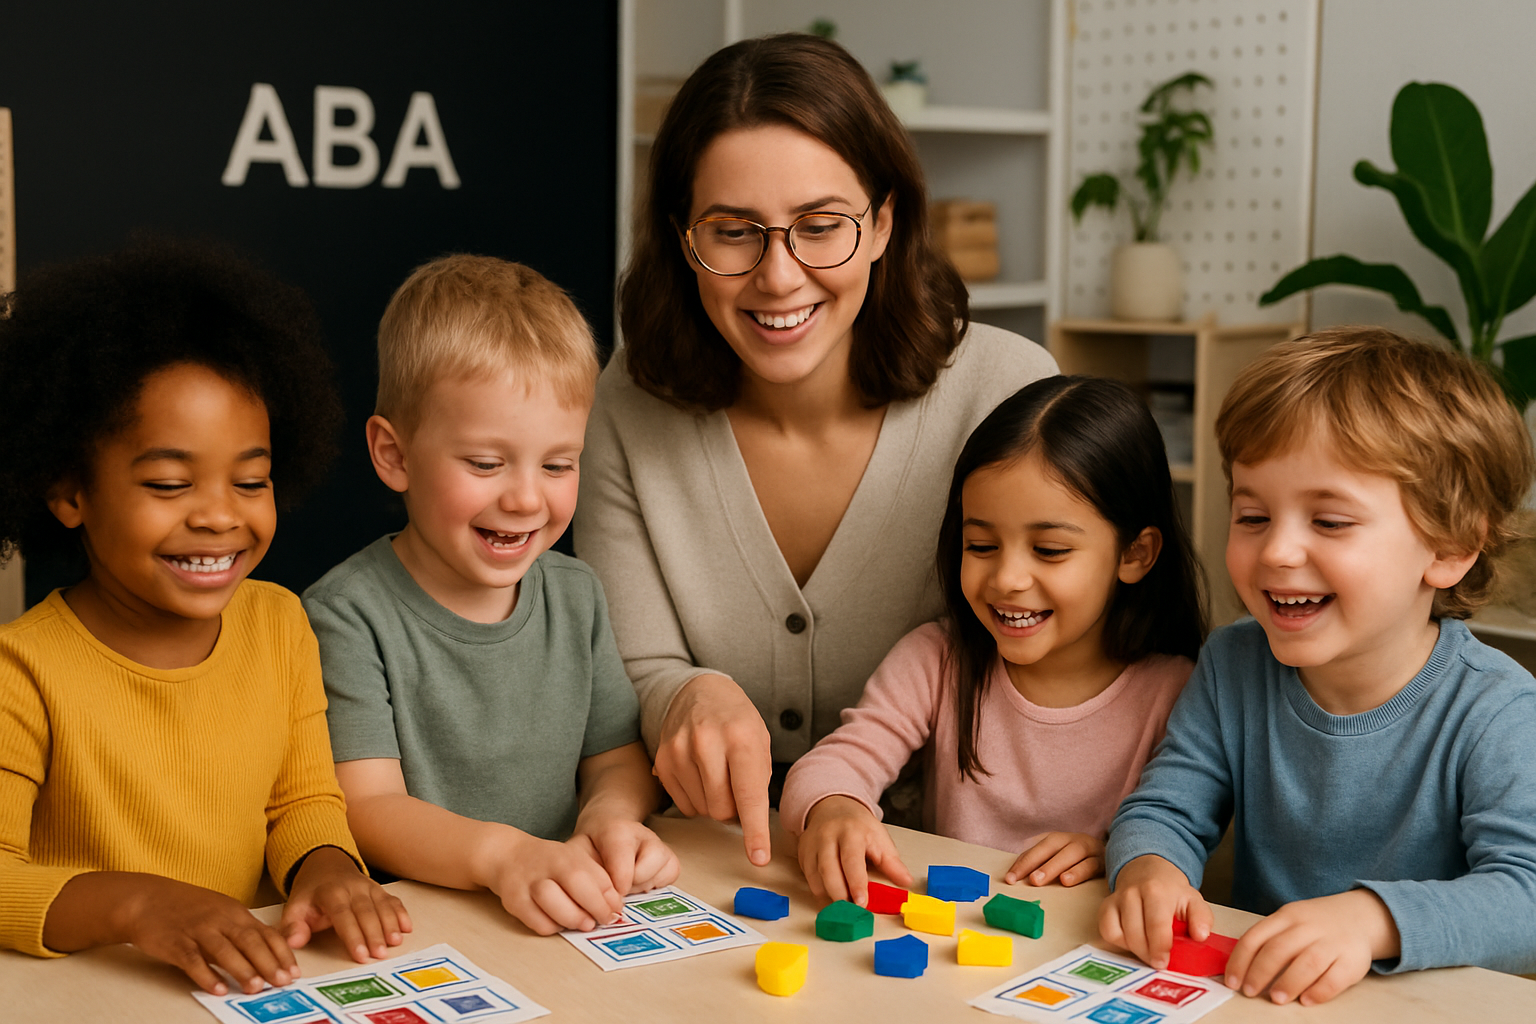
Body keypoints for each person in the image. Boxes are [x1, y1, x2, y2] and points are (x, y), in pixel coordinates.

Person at [574, 33, 1058, 867]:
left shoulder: (1010, 393)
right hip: (712, 857)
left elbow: (1082, 662)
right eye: (733, 233)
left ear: (884, 224)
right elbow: (639, 663)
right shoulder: (624, 402)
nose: (779, 276)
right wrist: (687, 695)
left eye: (820, 226)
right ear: (681, 239)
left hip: (955, 864)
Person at [0, 242, 409, 994]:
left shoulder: (280, 623)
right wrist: (137, 904)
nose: (220, 515)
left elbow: (304, 800)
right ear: (69, 493)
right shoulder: (21, 673)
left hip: (236, 991)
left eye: (250, 480)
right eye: (168, 482)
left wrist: (327, 870)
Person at [1101, 327, 1536, 1005]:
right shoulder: (1233, 661)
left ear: (1450, 548)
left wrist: (1372, 920)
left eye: (1329, 522)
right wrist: (1149, 870)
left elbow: (1527, 894)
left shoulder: (1497, 709)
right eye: (1252, 515)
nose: (1277, 551)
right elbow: (1166, 810)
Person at [303, 255, 679, 938]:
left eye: (559, 464)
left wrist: (610, 817)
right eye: (485, 463)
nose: (527, 497)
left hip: (562, 922)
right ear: (394, 455)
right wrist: (504, 857)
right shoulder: (345, 615)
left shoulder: (576, 593)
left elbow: (617, 759)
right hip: (426, 936)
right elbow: (367, 807)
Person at [781, 375, 1205, 905]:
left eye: (1049, 550)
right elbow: (833, 764)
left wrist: (1121, 851)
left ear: (1135, 554)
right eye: (980, 544)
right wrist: (837, 806)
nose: (1006, 578)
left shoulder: (1181, 690)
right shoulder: (936, 659)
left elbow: (1187, 836)